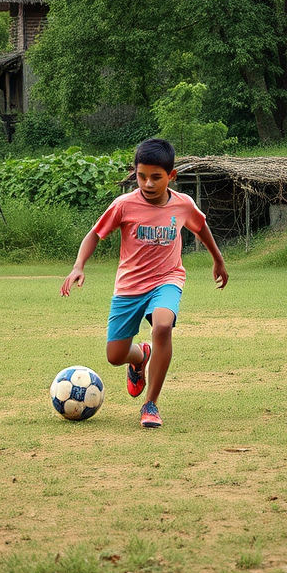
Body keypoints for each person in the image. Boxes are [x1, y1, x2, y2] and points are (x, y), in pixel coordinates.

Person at [61, 137, 228, 429]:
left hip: (168, 278)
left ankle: (150, 404)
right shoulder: (124, 205)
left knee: (163, 325)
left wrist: (218, 259)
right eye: (141, 176)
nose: (148, 183)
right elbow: (95, 235)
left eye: (156, 177)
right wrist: (78, 266)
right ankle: (140, 357)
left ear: (171, 176)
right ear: (135, 172)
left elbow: (201, 227)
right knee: (115, 356)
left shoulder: (183, 204)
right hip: (129, 286)